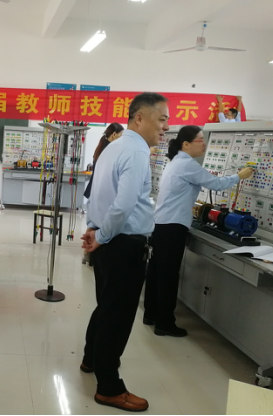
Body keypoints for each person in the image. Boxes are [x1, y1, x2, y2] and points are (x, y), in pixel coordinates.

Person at [81, 92, 170, 412]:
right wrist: (103, 235)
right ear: (139, 118)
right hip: (122, 245)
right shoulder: (135, 151)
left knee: (106, 308)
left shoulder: (114, 146)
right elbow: (124, 204)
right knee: (117, 318)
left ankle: (91, 359)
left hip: (107, 241)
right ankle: (109, 388)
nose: (165, 127)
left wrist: (94, 231)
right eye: (161, 119)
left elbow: (96, 195)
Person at [143, 126, 254, 337]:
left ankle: (151, 314)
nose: (204, 144)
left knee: (157, 272)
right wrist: (239, 176)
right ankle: (164, 323)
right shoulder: (187, 165)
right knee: (168, 276)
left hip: (161, 224)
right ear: (186, 144)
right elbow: (217, 184)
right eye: (200, 140)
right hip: (173, 227)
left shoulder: (175, 162)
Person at [82, 122, 124, 265]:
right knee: (99, 222)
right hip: (101, 189)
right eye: (121, 135)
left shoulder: (102, 147)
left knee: (93, 221)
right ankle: (89, 251)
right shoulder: (110, 150)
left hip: (96, 189)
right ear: (114, 135)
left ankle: (87, 253)